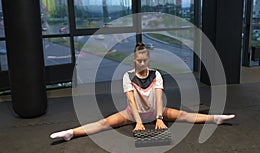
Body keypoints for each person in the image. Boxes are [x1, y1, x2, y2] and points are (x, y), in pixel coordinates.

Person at [50, 43, 235, 141]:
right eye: (139, 61)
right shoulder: (127, 76)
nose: (142, 64)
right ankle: (70, 133)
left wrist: (160, 118)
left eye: (145, 60)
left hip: (155, 112)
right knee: (105, 122)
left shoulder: (156, 75)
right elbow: (131, 100)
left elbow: (159, 97)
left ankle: (216, 118)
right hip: (133, 114)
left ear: (148, 59)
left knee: (185, 115)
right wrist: (138, 122)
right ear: (134, 60)